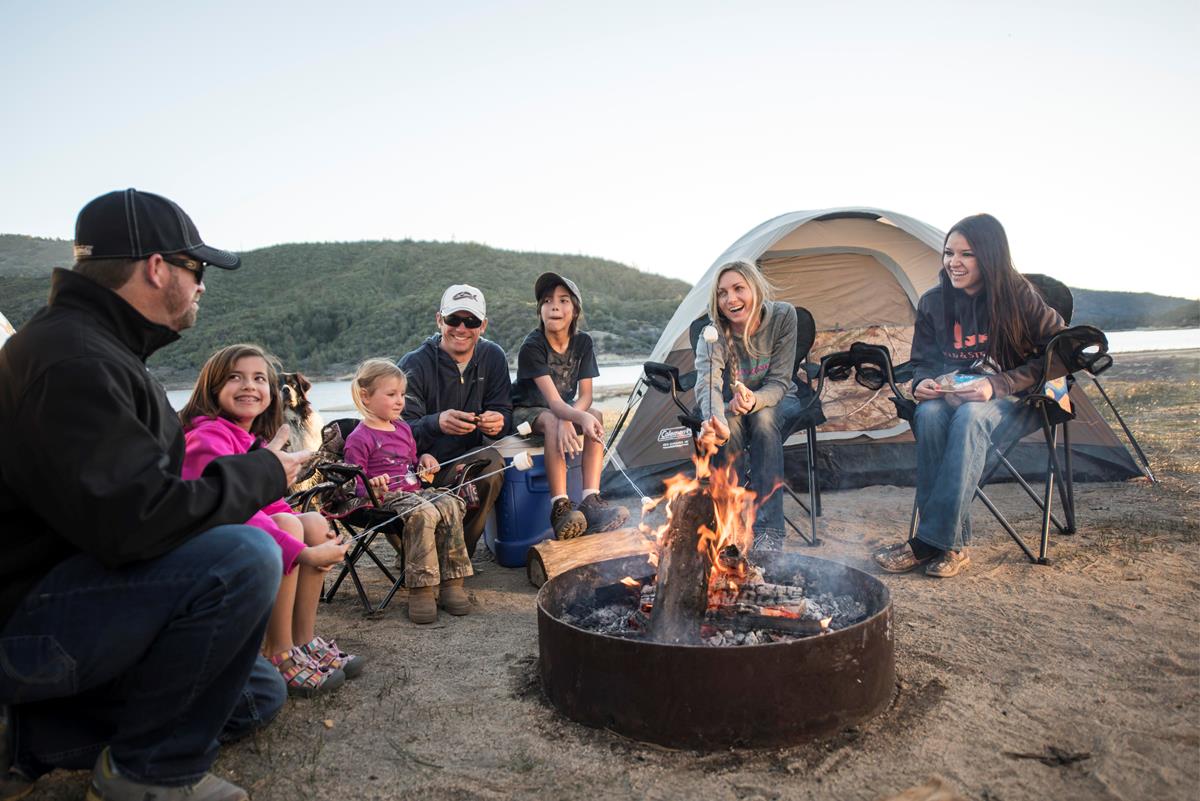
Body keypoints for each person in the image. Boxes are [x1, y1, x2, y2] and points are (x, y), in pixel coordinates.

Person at [0, 189, 310, 801]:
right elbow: (137, 522)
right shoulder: (73, 362)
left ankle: (27, 740)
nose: (201, 287)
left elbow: (135, 505)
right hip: (29, 621)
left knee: (257, 693)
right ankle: (147, 774)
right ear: (157, 267)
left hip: (82, 596)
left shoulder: (99, 350)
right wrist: (265, 474)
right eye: (196, 271)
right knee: (246, 555)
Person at [873, 213, 1064, 578]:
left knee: (970, 416)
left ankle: (928, 542)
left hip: (1017, 401)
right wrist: (922, 384)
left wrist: (998, 384)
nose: (953, 263)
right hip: (954, 398)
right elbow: (922, 363)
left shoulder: (1020, 296)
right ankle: (953, 544)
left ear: (990, 256)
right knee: (927, 414)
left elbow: (1063, 353)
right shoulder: (934, 303)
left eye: (966, 254)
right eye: (948, 253)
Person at [180, 344, 363, 693]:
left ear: (269, 394)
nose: (249, 385)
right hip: (208, 544)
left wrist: (317, 530)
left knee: (308, 521)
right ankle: (277, 650)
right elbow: (229, 507)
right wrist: (301, 551)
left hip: (241, 535)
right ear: (212, 387)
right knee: (292, 528)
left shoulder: (249, 440)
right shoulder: (206, 437)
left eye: (259, 378)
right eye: (235, 377)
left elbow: (271, 503)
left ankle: (302, 640)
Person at [344, 359, 474, 624]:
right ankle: (422, 589)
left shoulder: (403, 428)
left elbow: (411, 466)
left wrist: (425, 460)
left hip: (413, 492)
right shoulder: (360, 437)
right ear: (365, 396)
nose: (399, 400)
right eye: (391, 394)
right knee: (423, 511)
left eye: (402, 394)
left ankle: (452, 583)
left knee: (450, 503)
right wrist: (372, 486)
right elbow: (353, 484)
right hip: (382, 500)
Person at [398, 284, 512, 559]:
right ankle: (422, 553)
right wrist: (437, 422)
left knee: (493, 462)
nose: (461, 328)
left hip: (467, 462)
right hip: (421, 468)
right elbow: (399, 432)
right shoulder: (414, 364)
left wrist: (498, 422)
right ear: (439, 320)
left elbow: (504, 413)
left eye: (470, 321)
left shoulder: (493, 357)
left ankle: (458, 554)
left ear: (482, 325)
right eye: (453, 319)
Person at [696, 260, 803, 551]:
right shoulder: (713, 333)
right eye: (722, 293)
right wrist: (714, 418)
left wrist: (755, 400)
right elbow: (708, 383)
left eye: (738, 288)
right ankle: (730, 528)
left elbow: (780, 381)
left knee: (764, 421)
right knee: (727, 428)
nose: (731, 299)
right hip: (732, 406)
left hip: (776, 399)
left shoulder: (783, 316)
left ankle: (769, 531)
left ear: (755, 288)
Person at [511, 273, 628, 538]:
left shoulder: (583, 342)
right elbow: (552, 402)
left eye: (563, 300)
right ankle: (560, 507)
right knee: (554, 420)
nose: (555, 306)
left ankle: (590, 501)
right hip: (526, 412)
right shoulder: (532, 346)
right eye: (547, 300)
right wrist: (566, 418)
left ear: (574, 310)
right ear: (540, 310)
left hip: (560, 409)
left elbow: (585, 396)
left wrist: (576, 417)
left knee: (595, 414)